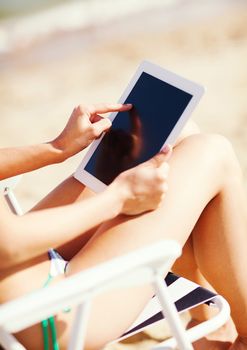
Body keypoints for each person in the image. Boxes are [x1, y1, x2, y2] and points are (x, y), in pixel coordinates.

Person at [0, 102, 246, 350]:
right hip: (47, 312)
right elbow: (8, 245)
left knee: (175, 138)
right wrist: (117, 198)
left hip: (27, 266)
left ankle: (206, 320)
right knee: (213, 152)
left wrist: (58, 147)